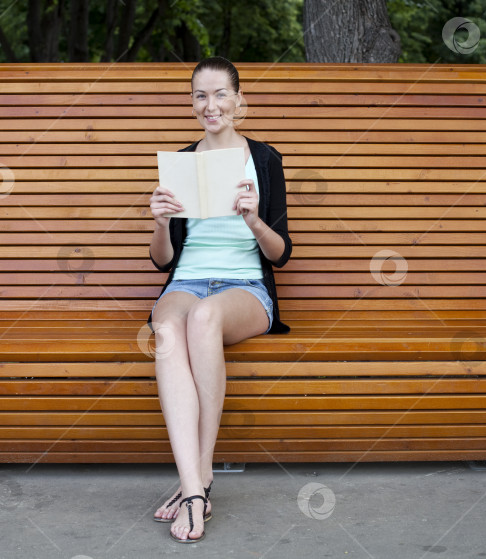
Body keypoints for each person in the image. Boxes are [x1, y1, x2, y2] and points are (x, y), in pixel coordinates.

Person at [147, 56, 292, 543]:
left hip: (243, 291)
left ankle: (196, 483)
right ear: (193, 104)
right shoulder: (182, 164)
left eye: (219, 94)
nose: (210, 105)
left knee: (205, 318)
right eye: (199, 96)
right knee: (167, 330)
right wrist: (161, 221)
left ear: (239, 101)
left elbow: (282, 254)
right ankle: (197, 487)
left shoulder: (265, 161)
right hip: (185, 283)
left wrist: (253, 220)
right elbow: (163, 263)